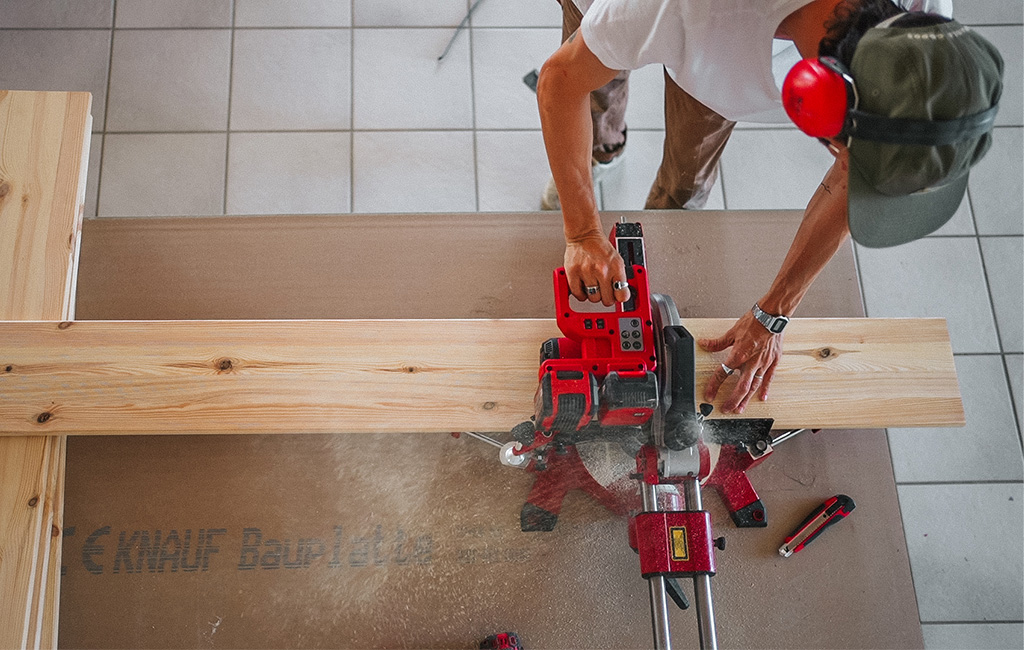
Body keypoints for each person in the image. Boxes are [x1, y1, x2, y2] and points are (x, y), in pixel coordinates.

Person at [537, 0, 1003, 414]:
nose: (845, 170)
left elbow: (854, 171)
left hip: (709, 42)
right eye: (848, 158)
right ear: (816, 101)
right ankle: (602, 152)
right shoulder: (676, 10)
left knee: (691, 156)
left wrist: (773, 313)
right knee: (594, 84)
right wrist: (582, 231)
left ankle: (666, 207)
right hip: (664, 15)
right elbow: (560, 80)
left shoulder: (927, 42)